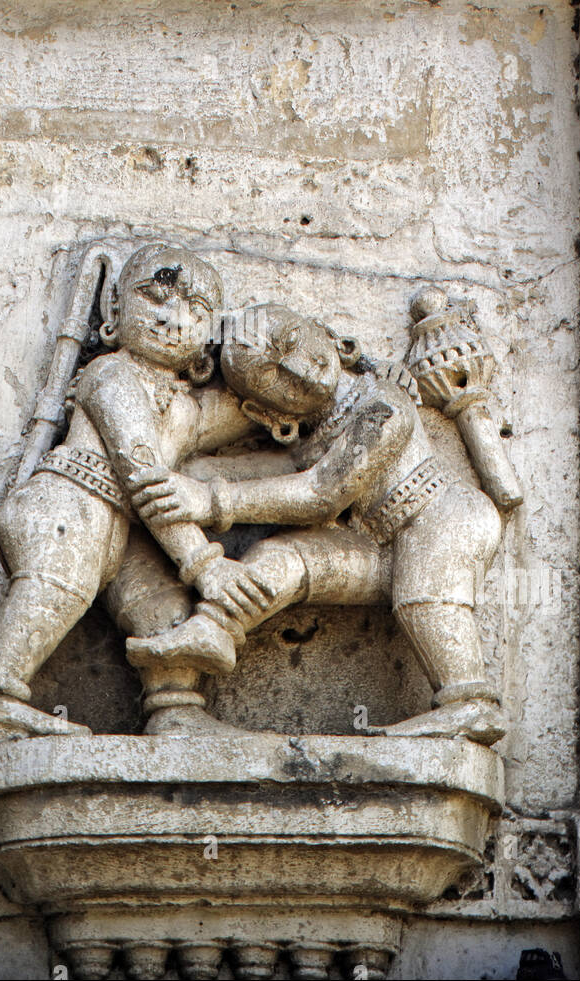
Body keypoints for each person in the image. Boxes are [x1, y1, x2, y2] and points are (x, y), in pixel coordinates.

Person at [126, 303, 505, 744]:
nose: (298, 371)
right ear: (270, 416)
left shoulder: (384, 402)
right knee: (281, 556)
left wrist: (208, 500)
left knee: (421, 597)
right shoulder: (313, 441)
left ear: (326, 331)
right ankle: (214, 628)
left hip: (441, 521)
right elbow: (272, 470)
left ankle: (470, 704)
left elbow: (319, 494)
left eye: (292, 342)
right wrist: (182, 474)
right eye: (272, 379)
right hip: (380, 547)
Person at [0, 242, 271, 746]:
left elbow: (253, 410)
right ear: (114, 314)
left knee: (166, 613)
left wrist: (297, 375)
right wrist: (204, 565)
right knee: (59, 591)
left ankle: (175, 708)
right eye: (157, 298)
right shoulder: (111, 375)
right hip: (68, 509)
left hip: (120, 527)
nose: (174, 320)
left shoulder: (183, 405)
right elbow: (145, 478)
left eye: (197, 311)